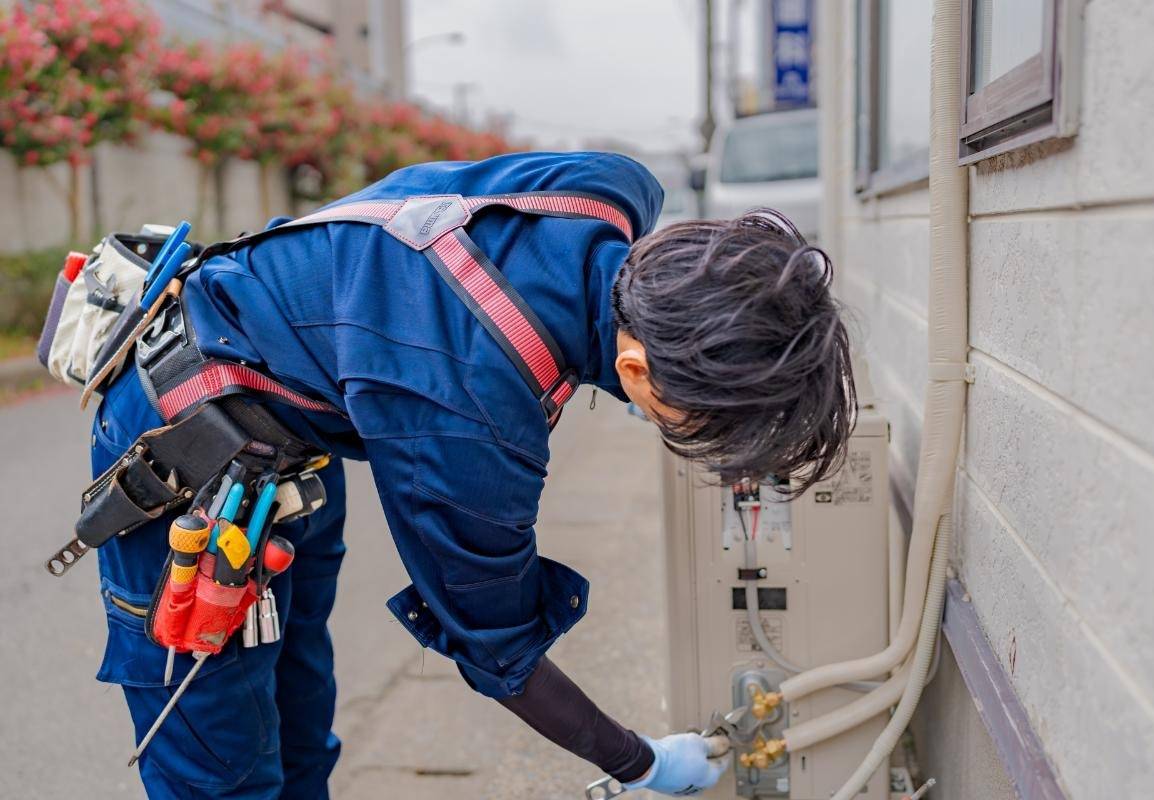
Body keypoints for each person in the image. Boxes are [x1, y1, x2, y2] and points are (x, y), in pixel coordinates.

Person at [90, 151, 856, 797]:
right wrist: (640, 762)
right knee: (223, 764)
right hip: (182, 443)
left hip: (295, 429)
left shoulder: (610, 191)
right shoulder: (471, 422)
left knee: (297, 711)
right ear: (635, 367)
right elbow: (500, 650)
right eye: (709, 421)